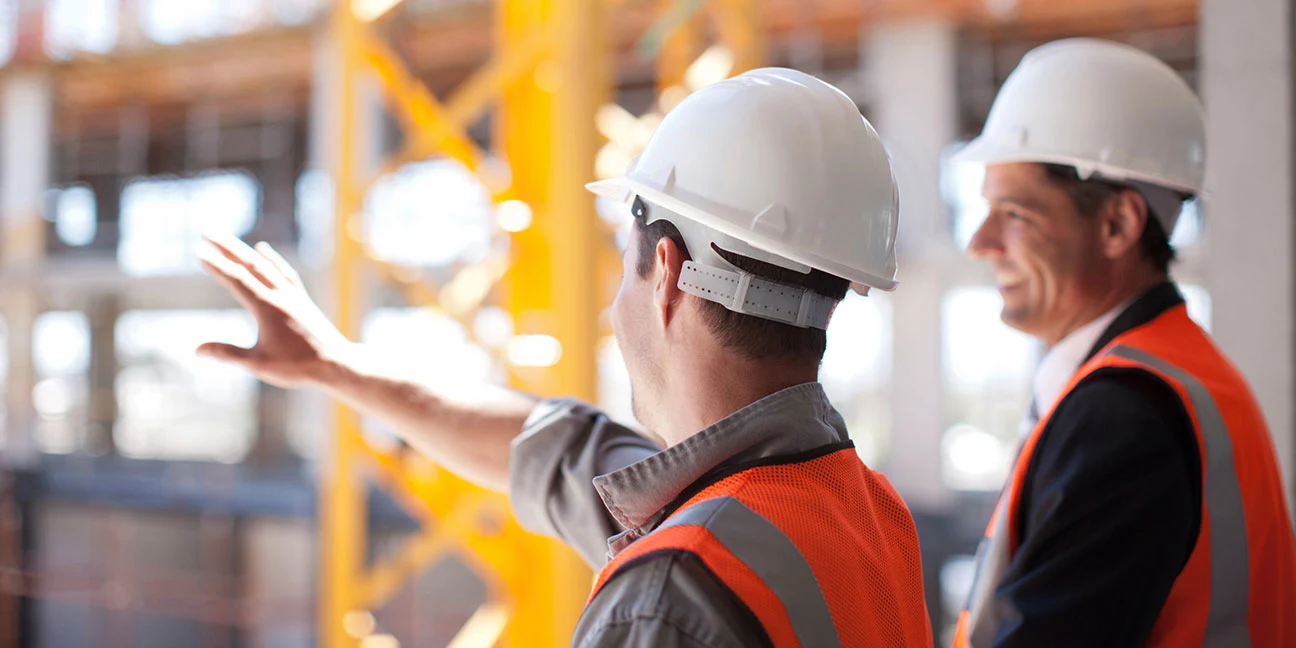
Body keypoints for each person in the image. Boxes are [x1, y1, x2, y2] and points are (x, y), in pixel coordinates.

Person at [198, 68, 932, 647]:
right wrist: (336, 364)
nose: (618, 304)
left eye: (625, 266)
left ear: (668, 272)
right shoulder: (861, 509)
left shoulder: (671, 595)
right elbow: (562, 452)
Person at [950, 38, 1296, 647]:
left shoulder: (1122, 416)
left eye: (1015, 214)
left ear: (1117, 225)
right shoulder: (1182, 374)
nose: (979, 242)